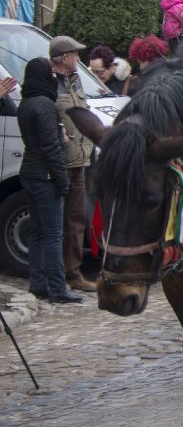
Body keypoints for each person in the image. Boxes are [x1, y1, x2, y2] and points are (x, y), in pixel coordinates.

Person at [18, 58, 81, 303]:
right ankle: (57, 288)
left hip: (30, 172)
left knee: (36, 232)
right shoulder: (45, 105)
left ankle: (38, 283)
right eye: (51, 74)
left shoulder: (26, 102)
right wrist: (62, 179)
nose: (54, 78)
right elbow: (50, 147)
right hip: (44, 175)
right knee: (54, 234)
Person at [49, 36, 95, 293]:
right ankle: (55, 273)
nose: (78, 58)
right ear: (64, 59)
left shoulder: (75, 80)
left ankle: (73, 272)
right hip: (60, 162)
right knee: (56, 222)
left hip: (80, 159)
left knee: (76, 219)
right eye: (75, 55)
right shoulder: (50, 83)